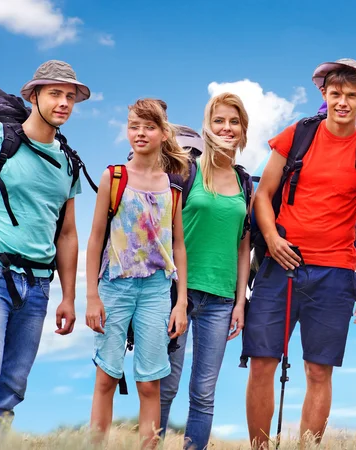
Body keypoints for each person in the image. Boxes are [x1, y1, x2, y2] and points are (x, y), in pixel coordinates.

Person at [243, 59, 356, 447]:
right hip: (281, 265)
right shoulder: (298, 134)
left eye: (351, 96)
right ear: (324, 95)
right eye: (336, 94)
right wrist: (273, 239)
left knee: (319, 371)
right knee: (261, 364)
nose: (343, 102)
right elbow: (263, 195)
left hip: (336, 273)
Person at [0, 60, 89, 444]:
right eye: (55, 94)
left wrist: (69, 297)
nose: (63, 103)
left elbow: (69, 234)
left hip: (40, 284)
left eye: (70, 97)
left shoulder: (68, 162)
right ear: (34, 96)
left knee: (12, 387)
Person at [85, 98, 189, 447]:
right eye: (134, 126)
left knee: (149, 383)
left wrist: (182, 303)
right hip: (115, 286)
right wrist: (91, 297)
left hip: (157, 291)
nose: (140, 133)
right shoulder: (114, 177)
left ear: (163, 133)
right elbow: (96, 237)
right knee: (106, 379)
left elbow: (178, 246)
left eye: (149, 127)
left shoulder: (173, 185)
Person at [159, 93, 252, 449]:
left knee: (203, 393)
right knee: (166, 385)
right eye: (219, 121)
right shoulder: (187, 170)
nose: (226, 128)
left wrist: (240, 301)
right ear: (207, 126)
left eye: (234, 122)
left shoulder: (245, 183)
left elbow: (244, 246)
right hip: (177, 292)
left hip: (221, 299)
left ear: (243, 130)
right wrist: (175, 296)